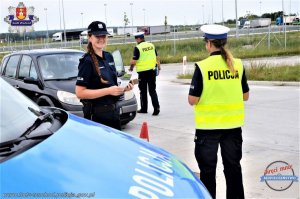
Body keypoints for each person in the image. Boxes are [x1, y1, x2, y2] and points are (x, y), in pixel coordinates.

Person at [188, 24, 250, 199]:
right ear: (225, 42)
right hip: (233, 127)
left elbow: (193, 100)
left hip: (207, 129)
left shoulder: (202, 66)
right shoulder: (237, 64)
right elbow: (245, 96)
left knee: (207, 171)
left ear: (208, 44)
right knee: (233, 169)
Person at [75, 21, 133, 130]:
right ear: (90, 37)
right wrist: (109, 91)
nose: (101, 39)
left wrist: (123, 88)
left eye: (104, 35)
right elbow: (80, 93)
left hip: (114, 113)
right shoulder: (87, 61)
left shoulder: (109, 57)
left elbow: (112, 84)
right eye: (97, 36)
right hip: (97, 117)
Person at [129, 32, 160, 116]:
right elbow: (157, 57)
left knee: (143, 91)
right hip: (152, 71)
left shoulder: (137, 48)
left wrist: (131, 68)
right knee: (152, 90)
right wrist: (159, 67)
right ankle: (156, 108)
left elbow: (134, 60)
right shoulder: (151, 45)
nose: (136, 40)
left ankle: (144, 108)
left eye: (136, 39)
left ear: (139, 39)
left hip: (143, 73)